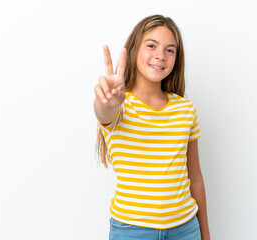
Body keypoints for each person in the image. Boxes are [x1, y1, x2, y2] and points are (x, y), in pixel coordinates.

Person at [94, 14, 211, 240]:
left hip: (185, 230)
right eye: (152, 45)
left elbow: (195, 177)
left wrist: (205, 234)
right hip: (132, 231)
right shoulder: (121, 105)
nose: (161, 55)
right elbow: (103, 111)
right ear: (135, 49)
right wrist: (105, 101)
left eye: (170, 50)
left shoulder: (185, 110)